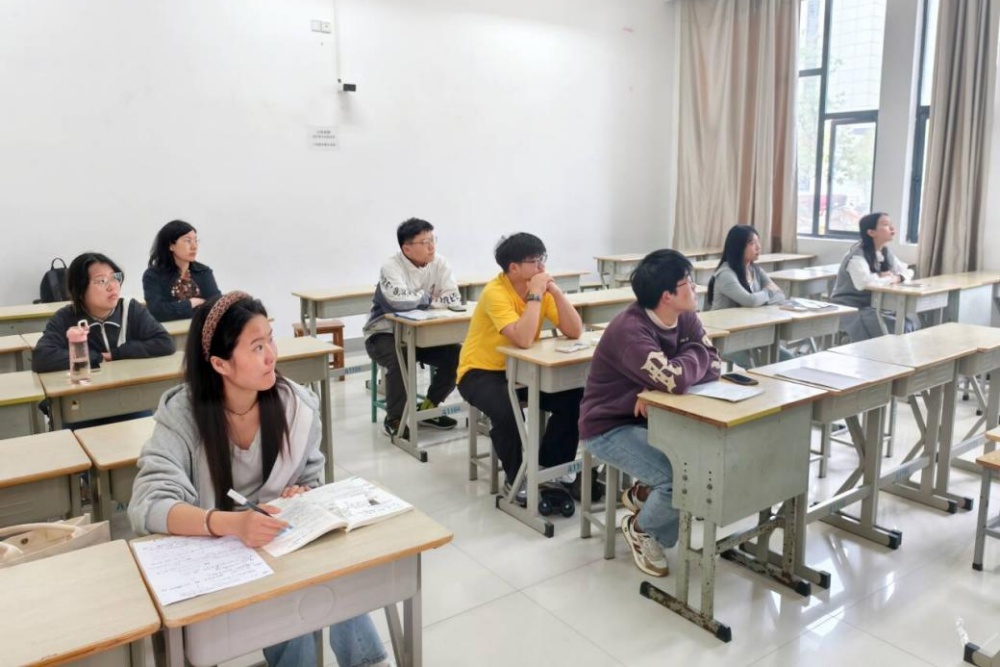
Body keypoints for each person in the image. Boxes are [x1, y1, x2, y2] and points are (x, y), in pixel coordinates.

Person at [129, 292, 389, 667]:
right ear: (219, 363)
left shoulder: (296, 405)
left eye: (270, 339)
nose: (272, 356)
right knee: (294, 613)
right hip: (215, 556)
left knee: (338, 582)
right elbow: (148, 505)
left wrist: (301, 492)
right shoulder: (182, 415)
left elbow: (311, 477)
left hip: (278, 543)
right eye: (257, 347)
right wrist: (233, 524)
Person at [580, 249, 721, 576]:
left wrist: (660, 385)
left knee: (700, 461)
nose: (695, 287)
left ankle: (643, 492)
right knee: (678, 478)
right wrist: (685, 363)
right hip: (608, 426)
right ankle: (642, 529)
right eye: (688, 282)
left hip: (654, 415)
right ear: (666, 296)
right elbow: (679, 378)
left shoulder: (684, 314)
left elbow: (714, 364)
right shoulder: (630, 331)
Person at [457, 233, 585, 503]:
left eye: (542, 259)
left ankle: (549, 468)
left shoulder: (540, 289)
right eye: (534, 261)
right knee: (506, 409)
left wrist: (555, 291)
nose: (541, 267)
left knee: (574, 396)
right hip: (481, 372)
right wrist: (536, 295)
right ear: (513, 267)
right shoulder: (495, 293)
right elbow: (524, 339)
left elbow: (575, 330)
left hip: (524, 370)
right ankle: (516, 478)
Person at [363, 218, 461, 438]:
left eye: (433, 239)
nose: (432, 246)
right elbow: (398, 302)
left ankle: (428, 408)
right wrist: (429, 298)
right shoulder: (391, 267)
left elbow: (454, 297)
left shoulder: (440, 263)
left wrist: (420, 300)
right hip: (384, 333)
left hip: (422, 333)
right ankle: (395, 418)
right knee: (401, 359)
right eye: (425, 242)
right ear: (407, 248)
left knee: (458, 355)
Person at [32, 251, 175, 375]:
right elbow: (42, 357)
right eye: (101, 281)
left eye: (114, 277)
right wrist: (97, 358)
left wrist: (115, 355)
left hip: (127, 386)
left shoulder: (130, 309)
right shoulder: (65, 317)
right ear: (80, 289)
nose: (112, 286)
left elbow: (165, 343)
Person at [707, 224, 791, 367]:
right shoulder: (726, 274)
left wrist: (762, 298)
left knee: (787, 358)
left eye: (758, 242)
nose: (758, 247)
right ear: (738, 247)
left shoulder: (755, 270)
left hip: (749, 331)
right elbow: (750, 301)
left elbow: (780, 295)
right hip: (725, 336)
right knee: (755, 366)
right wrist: (767, 293)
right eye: (752, 243)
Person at [830, 212, 916, 341]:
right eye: (886, 225)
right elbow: (864, 283)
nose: (892, 228)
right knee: (898, 328)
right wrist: (889, 278)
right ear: (871, 232)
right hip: (852, 308)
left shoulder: (884, 251)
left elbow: (907, 271)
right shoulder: (856, 256)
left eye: (891, 224)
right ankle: (853, 343)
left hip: (873, 307)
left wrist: (896, 277)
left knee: (909, 324)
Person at [142, 219, 221, 322]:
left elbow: (216, 307)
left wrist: (175, 309)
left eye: (196, 240)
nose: (194, 247)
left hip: (198, 329)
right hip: (167, 331)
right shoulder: (153, 275)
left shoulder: (203, 272)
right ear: (171, 245)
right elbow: (158, 311)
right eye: (188, 241)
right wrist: (191, 303)